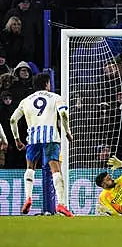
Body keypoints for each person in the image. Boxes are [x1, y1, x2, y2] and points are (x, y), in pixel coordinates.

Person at [10, 73, 74, 216]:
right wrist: (67, 132)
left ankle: (28, 197)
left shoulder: (25, 100)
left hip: (32, 138)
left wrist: (16, 139)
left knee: (30, 168)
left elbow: (13, 120)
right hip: (51, 137)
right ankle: (62, 204)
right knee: (55, 169)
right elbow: (63, 114)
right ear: (47, 84)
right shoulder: (56, 97)